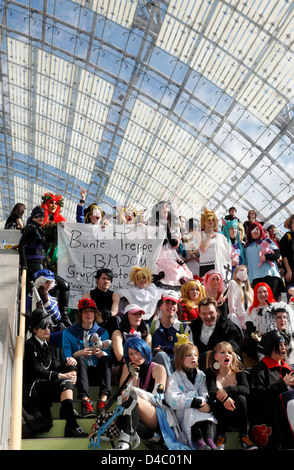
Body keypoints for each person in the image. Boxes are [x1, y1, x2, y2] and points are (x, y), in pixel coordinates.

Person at [23, 308, 88, 438]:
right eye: (43, 327)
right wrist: (60, 375)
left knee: (70, 373)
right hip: (34, 389)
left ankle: (67, 415)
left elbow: (56, 366)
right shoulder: (29, 345)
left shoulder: (50, 346)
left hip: (47, 385)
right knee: (65, 381)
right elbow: (36, 371)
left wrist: (69, 365)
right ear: (35, 330)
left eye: (48, 327)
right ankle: (71, 423)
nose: (47, 330)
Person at [115, 337, 188, 450]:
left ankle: (124, 443)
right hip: (141, 415)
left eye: (138, 351)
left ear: (144, 349)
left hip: (160, 415)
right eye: (131, 354)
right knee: (120, 420)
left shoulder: (158, 368)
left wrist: (136, 391)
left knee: (133, 397)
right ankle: (156, 438)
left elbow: (158, 399)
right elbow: (123, 398)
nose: (135, 356)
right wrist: (135, 379)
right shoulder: (130, 369)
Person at [61, 298, 112, 418]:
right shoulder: (68, 332)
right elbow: (66, 357)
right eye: (85, 312)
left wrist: (103, 354)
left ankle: (102, 401)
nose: (88, 314)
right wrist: (78, 353)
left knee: (106, 359)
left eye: (91, 311)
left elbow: (108, 353)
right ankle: (86, 401)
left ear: (95, 314)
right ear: (80, 314)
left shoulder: (102, 331)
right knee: (79, 359)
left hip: (97, 373)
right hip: (81, 373)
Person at [166, 340, 218, 450]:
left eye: (195, 355)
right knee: (191, 407)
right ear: (180, 359)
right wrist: (192, 401)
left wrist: (203, 402)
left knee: (205, 409)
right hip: (184, 413)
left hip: (199, 407)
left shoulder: (201, 375)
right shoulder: (174, 378)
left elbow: (205, 392)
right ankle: (199, 442)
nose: (193, 358)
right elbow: (172, 398)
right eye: (189, 355)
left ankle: (210, 441)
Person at [205, 341, 257, 450]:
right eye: (222, 352)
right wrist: (225, 399)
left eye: (229, 352)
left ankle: (244, 437)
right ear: (216, 357)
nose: (227, 355)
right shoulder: (210, 372)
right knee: (216, 400)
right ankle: (220, 437)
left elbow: (246, 389)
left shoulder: (238, 371)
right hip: (220, 413)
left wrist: (227, 390)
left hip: (238, 413)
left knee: (241, 398)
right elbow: (212, 392)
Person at [249, 330, 294, 449]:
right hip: (270, 418)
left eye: (285, 344)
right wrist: (282, 385)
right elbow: (257, 397)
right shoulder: (259, 369)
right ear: (269, 347)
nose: (283, 347)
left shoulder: (288, 368)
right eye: (279, 345)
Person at [147, 290, 193, 376]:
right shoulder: (150, 328)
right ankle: (171, 386)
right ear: (160, 306)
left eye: (173, 303)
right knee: (161, 355)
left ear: (177, 307)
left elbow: (191, 352)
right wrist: (154, 351)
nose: (170, 306)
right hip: (157, 370)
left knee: (178, 357)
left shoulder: (185, 328)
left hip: (179, 366)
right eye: (167, 302)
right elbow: (146, 354)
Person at [148, 201, 192, 289]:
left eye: (167, 206)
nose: (165, 208)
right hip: (156, 254)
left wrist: (167, 229)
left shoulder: (173, 226)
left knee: (176, 274)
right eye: (163, 206)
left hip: (170, 254)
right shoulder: (151, 223)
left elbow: (175, 245)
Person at [190, 297, 242, 371]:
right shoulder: (193, 327)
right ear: (200, 314)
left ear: (217, 312)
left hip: (223, 367)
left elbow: (234, 345)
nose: (208, 317)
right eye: (204, 314)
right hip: (198, 368)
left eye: (211, 313)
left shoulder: (228, 325)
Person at [111, 304, 152, 384]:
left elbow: (148, 355)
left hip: (143, 366)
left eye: (140, 314)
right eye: (134, 314)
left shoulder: (147, 334)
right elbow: (120, 357)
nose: (138, 316)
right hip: (123, 366)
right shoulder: (118, 333)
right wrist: (135, 361)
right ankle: (125, 394)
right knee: (128, 367)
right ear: (126, 316)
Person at [244, 221, 283, 301]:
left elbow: (277, 254)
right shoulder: (246, 248)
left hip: (270, 275)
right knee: (259, 304)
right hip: (255, 278)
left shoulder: (267, 241)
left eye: (258, 229)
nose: (256, 231)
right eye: (253, 229)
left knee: (271, 302)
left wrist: (266, 257)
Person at [242, 282, 277, 362]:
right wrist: (256, 337)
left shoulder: (276, 306)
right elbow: (250, 328)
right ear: (255, 294)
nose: (262, 294)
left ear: (269, 292)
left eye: (265, 292)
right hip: (258, 340)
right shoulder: (251, 309)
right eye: (259, 292)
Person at [83, 268, 120, 337]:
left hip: (109, 321)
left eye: (108, 279)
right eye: (103, 278)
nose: (106, 281)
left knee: (116, 319)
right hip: (94, 321)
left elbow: (114, 311)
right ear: (97, 280)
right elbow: (86, 312)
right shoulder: (88, 295)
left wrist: (108, 313)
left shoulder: (114, 295)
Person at [199, 208, 232, 284]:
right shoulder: (200, 234)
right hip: (205, 264)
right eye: (209, 220)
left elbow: (227, 251)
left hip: (218, 264)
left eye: (213, 220)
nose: (211, 221)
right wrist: (209, 236)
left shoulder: (220, 236)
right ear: (204, 221)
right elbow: (203, 248)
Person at [227, 265, 253, 333]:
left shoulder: (249, 290)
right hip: (238, 322)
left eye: (245, 272)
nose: (243, 273)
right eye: (241, 271)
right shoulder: (233, 284)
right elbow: (232, 304)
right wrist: (234, 320)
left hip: (249, 322)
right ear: (236, 272)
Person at [279, 214, 294, 301]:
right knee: (290, 290)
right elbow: (284, 255)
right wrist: (288, 270)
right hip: (291, 271)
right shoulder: (288, 236)